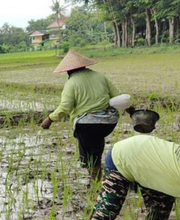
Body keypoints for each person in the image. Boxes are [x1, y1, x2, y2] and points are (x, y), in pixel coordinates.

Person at [41, 49, 121, 180]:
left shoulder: (71, 83)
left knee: (90, 156)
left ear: (68, 70)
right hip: (108, 122)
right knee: (97, 148)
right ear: (84, 65)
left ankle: (96, 183)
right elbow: (117, 96)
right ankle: (99, 177)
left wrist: (50, 119)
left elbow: (65, 107)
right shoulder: (100, 76)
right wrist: (129, 109)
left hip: (87, 125)